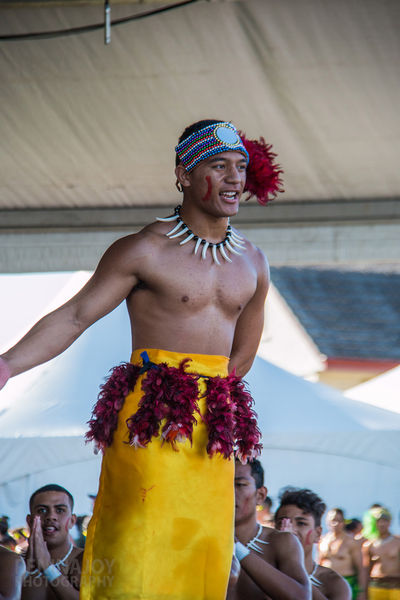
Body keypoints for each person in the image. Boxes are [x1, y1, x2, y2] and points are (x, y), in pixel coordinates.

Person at [0, 119, 283, 600]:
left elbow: (242, 358)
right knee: (138, 551)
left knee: (202, 553)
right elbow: (73, 316)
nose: (235, 178)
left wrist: (206, 405)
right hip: (150, 421)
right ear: (184, 174)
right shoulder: (145, 250)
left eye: (241, 167)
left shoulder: (253, 262)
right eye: (219, 166)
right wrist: (6, 366)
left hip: (211, 431)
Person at [227, 459, 311, 600]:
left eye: (239, 484)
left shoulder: (280, 542)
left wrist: (236, 548)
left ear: (260, 495)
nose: (229, 492)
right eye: (222, 483)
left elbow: (301, 596)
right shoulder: (199, 538)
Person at [275, 487, 351, 600]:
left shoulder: (333, 583)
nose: (291, 530)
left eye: (301, 523)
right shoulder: (260, 572)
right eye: (283, 522)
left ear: (317, 534)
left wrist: (292, 564)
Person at [22, 484, 83, 600]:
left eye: (60, 510)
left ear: (72, 521)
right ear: (29, 521)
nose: (51, 516)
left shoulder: (85, 560)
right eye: (42, 510)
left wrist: (47, 567)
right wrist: (25, 571)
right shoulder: (16, 563)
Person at [319, 508, 366, 600]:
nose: (335, 524)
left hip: (346, 582)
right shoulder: (322, 540)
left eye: (339, 521)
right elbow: (318, 563)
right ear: (327, 521)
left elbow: (361, 568)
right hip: (326, 583)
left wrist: (362, 591)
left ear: (344, 522)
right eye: (333, 520)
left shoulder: (351, 542)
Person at [362, 507, 400, 600]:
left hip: (396, 586)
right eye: (379, 521)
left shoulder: (397, 542)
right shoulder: (369, 545)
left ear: (390, 522)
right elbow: (365, 570)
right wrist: (363, 592)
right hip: (376, 585)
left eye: (385, 521)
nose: (382, 524)